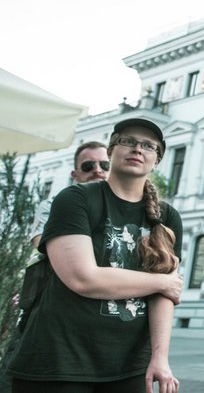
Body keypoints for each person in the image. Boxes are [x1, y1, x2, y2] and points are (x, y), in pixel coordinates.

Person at [8, 118, 184, 393]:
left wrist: (160, 358)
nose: (138, 149)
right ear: (112, 150)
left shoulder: (167, 217)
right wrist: (162, 282)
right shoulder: (74, 199)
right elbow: (82, 278)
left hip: (131, 366)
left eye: (148, 146)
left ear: (157, 160)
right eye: (128, 141)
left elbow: (164, 298)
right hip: (59, 362)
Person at [0, 142, 112, 393]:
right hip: (48, 309)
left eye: (104, 164)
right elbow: (44, 244)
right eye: (88, 165)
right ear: (75, 174)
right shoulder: (52, 204)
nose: (98, 170)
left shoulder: (119, 210)